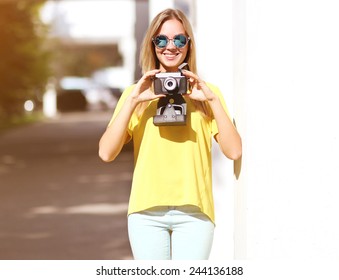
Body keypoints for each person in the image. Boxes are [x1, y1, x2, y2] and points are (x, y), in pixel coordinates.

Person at [99, 8, 242, 260]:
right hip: (146, 213)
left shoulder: (207, 93)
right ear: (152, 45)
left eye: (179, 39)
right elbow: (106, 152)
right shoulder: (137, 94)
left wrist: (211, 101)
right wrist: (133, 101)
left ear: (189, 44)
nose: (171, 46)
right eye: (162, 39)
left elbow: (234, 151)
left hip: (195, 213)